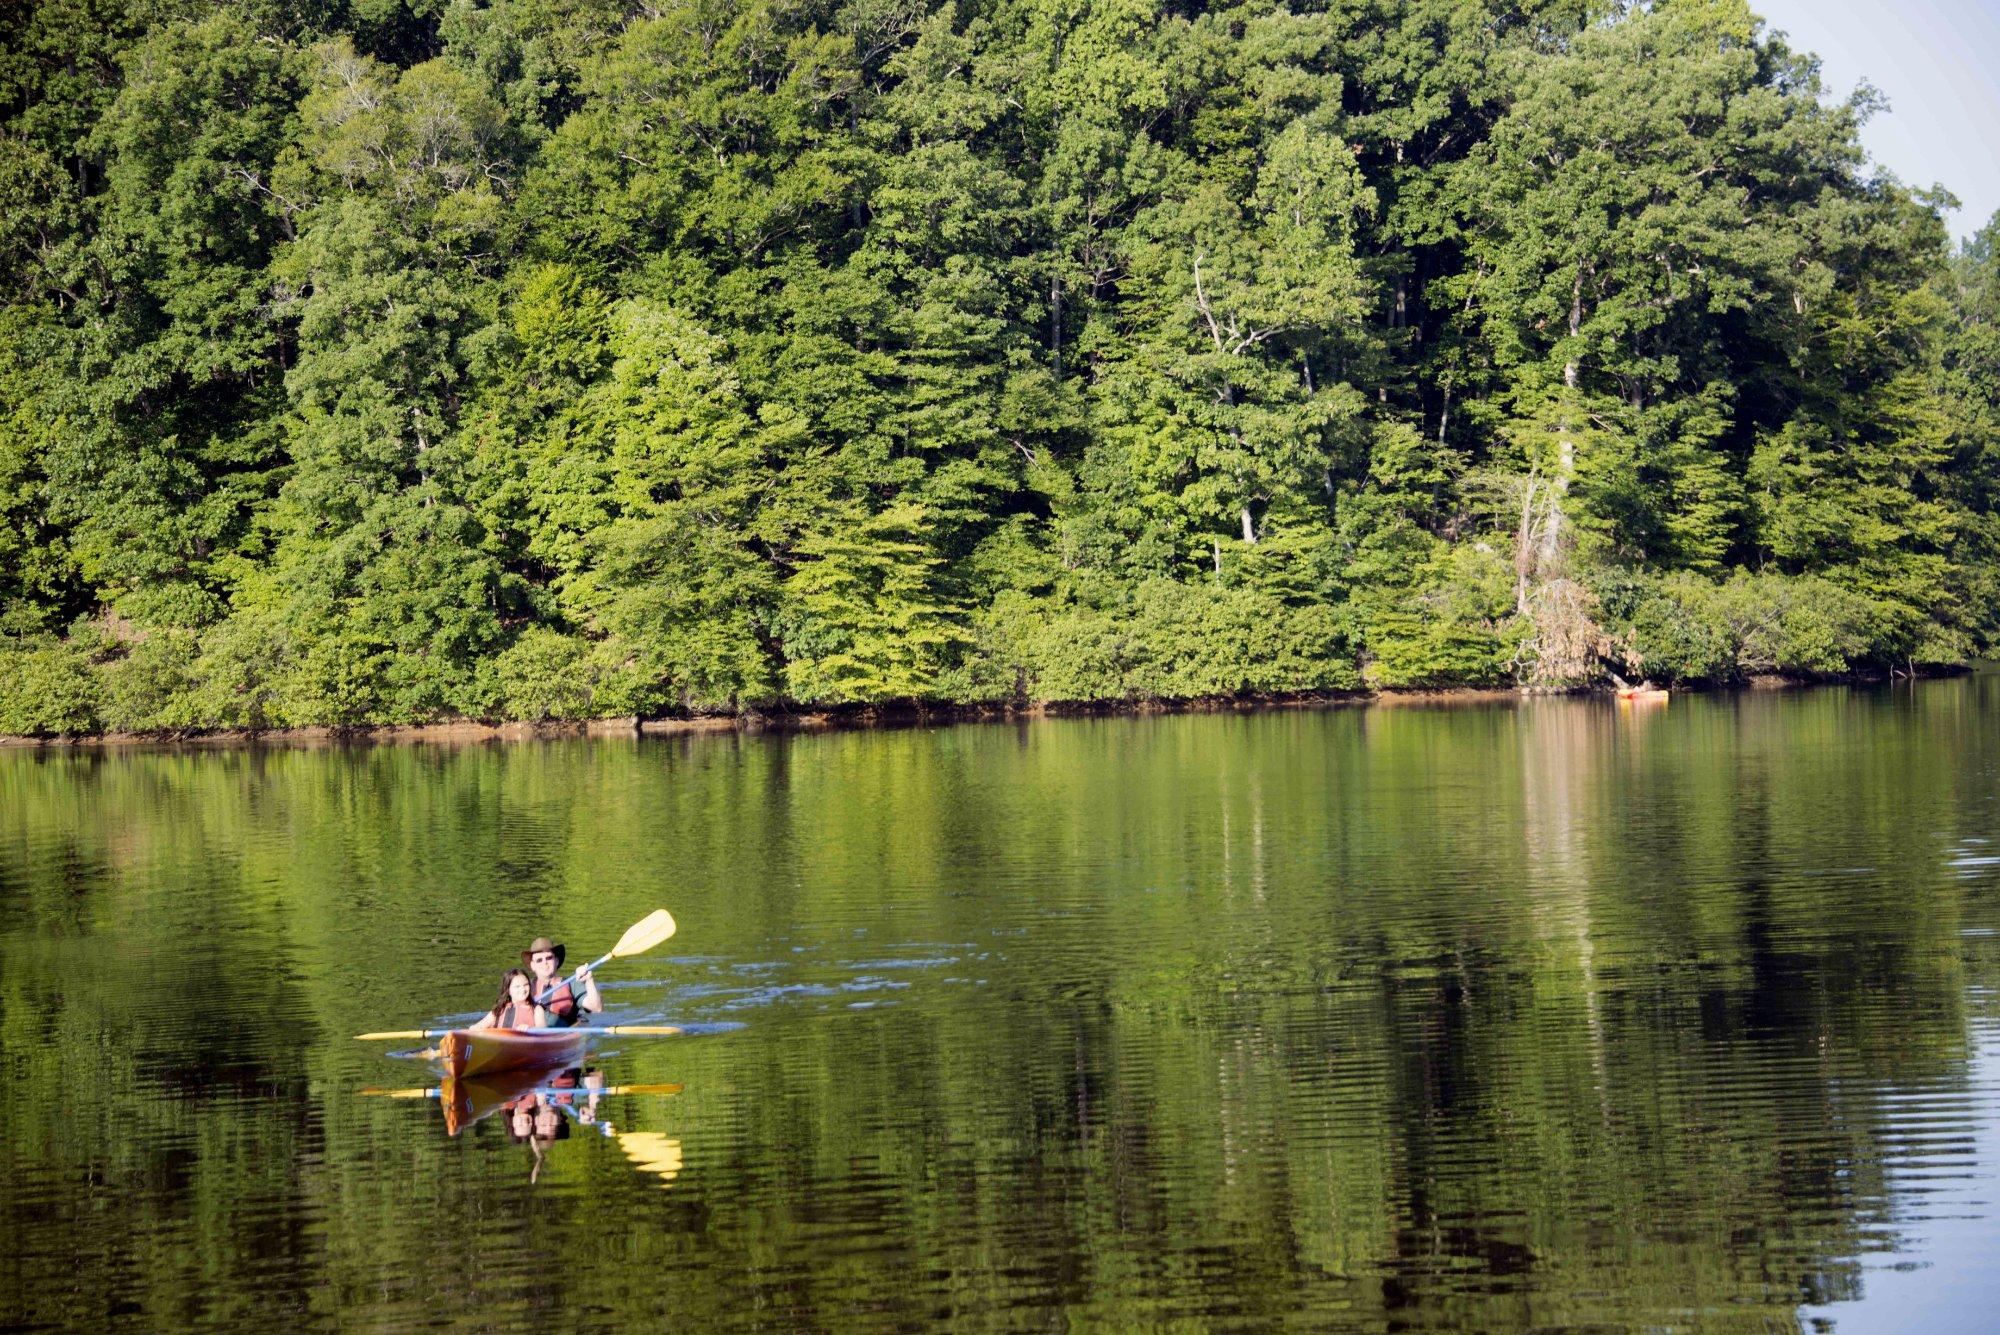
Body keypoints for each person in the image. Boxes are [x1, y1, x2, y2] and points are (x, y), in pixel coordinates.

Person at [522, 936, 602, 1028]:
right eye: (539, 960)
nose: (545, 963)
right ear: (532, 965)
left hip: (562, 1032)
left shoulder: (572, 984)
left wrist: (589, 980)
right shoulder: (523, 987)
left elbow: (597, 1007)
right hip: (530, 1031)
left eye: (549, 958)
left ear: (556, 960)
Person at [470, 968, 546, 1031]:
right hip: (500, 1046)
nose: (523, 989)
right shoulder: (499, 1009)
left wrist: (530, 1029)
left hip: (526, 1044)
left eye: (526, 985)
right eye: (517, 986)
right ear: (508, 990)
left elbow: (542, 1029)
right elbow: (475, 1027)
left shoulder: (537, 1009)